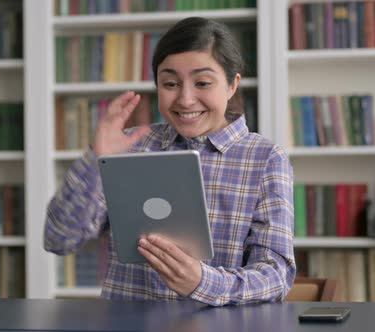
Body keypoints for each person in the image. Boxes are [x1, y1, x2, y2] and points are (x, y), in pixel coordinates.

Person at [44, 17, 295, 306]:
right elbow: (59, 240)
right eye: (170, 83)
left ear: (231, 85)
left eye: (202, 82)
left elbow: (277, 276)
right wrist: (94, 159)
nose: (186, 99)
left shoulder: (265, 158)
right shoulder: (130, 146)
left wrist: (203, 282)